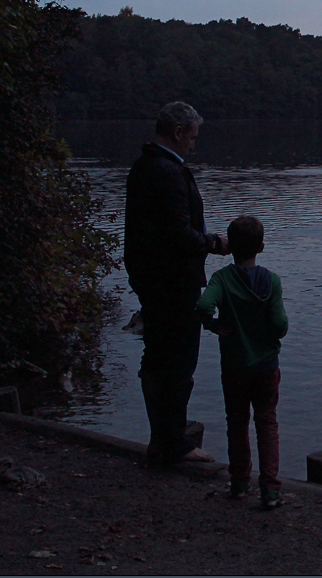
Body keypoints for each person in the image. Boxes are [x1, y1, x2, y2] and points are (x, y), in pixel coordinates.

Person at [124, 101, 228, 465]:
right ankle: (174, 443)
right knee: (179, 363)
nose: (194, 145)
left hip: (152, 278)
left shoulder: (144, 166)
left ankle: (162, 438)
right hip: (171, 281)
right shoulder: (167, 172)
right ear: (178, 132)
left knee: (157, 357)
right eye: (192, 137)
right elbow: (180, 234)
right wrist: (214, 243)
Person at [196, 215, 289, 509]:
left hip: (234, 366)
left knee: (236, 423)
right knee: (267, 423)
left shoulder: (221, 279)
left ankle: (238, 483)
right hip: (265, 367)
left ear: (230, 247)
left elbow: (202, 306)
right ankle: (270, 489)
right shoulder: (271, 280)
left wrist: (212, 326)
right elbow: (280, 325)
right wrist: (270, 334)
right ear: (261, 247)